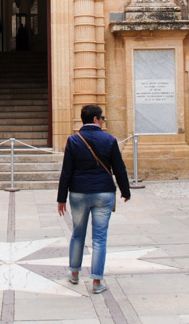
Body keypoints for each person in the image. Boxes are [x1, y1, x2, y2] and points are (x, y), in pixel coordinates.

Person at [56, 104, 131, 294]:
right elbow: (119, 168)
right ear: (96, 119)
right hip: (103, 192)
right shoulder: (109, 139)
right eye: (102, 118)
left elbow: (66, 171)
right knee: (99, 238)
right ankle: (97, 280)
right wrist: (125, 190)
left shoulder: (73, 141)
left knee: (78, 234)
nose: (103, 121)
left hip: (79, 192)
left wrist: (61, 198)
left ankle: (74, 272)